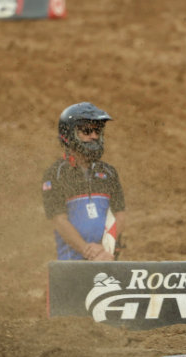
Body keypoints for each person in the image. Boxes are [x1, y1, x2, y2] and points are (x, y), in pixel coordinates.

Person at [41, 102, 126, 261]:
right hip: (72, 264)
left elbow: (120, 214)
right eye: (86, 131)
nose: (93, 136)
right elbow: (59, 220)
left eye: (97, 131)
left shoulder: (109, 172)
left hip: (107, 259)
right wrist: (88, 250)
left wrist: (105, 247)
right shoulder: (55, 174)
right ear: (69, 133)